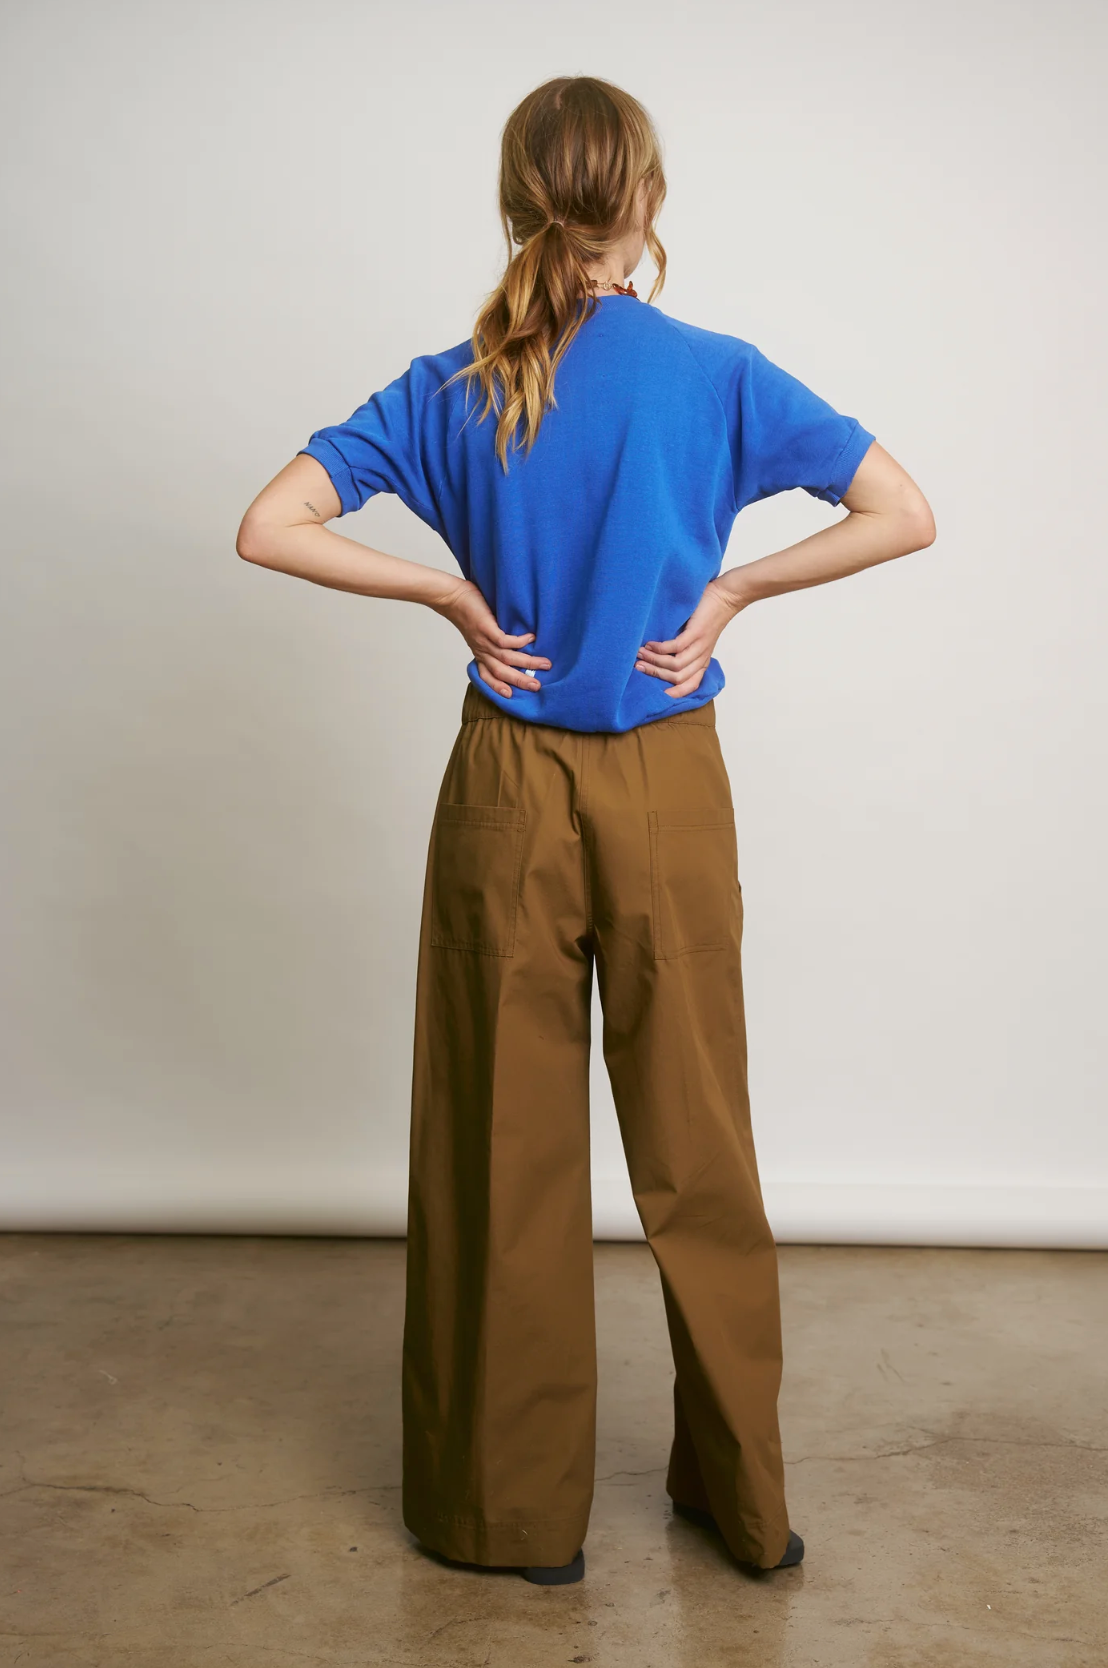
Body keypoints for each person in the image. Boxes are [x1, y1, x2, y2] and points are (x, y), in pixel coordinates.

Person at [236, 75, 935, 1588]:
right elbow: (905, 510)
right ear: (648, 203)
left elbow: (268, 523)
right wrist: (733, 592)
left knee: (503, 1153)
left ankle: (508, 1515)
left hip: (506, 784)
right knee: (702, 1148)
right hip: (669, 778)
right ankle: (745, 1505)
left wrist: (447, 595)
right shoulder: (718, 373)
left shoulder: (445, 388)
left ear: (516, 205)